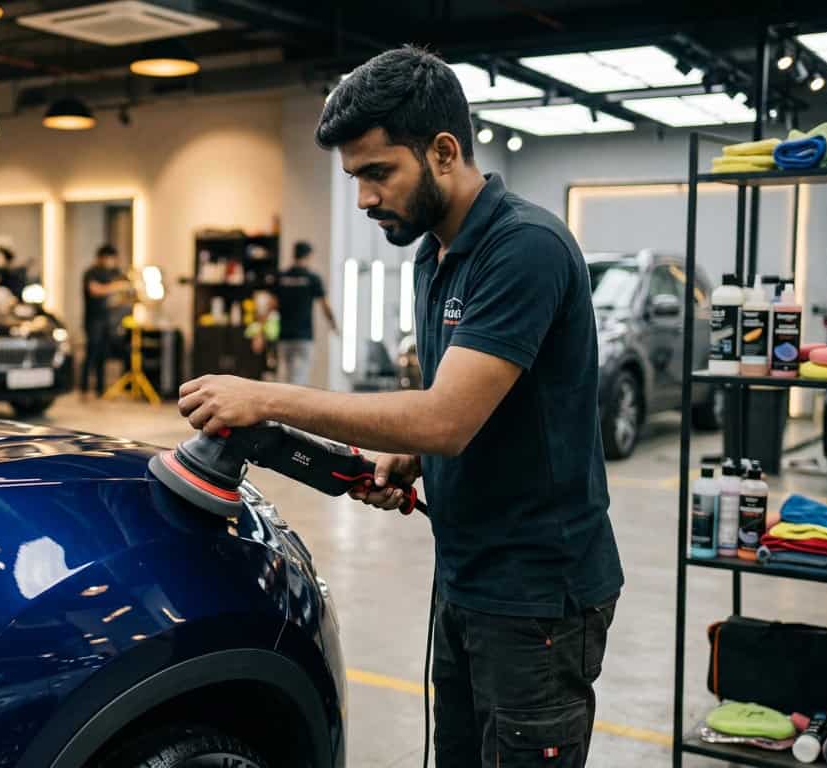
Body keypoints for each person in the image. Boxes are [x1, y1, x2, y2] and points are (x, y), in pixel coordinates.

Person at [174, 46, 622, 768]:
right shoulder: (435, 253)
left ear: (444, 152)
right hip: (467, 574)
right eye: (354, 178)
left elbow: (446, 418)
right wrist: (408, 455)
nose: (363, 198)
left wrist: (263, 397)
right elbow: (477, 404)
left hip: (539, 594)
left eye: (378, 173)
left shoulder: (525, 248)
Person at [274, 241, 338, 385]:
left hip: (284, 335)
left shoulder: (282, 277)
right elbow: (325, 306)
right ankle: (293, 406)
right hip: (304, 336)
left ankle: (285, 404)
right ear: (309, 256)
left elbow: (272, 305)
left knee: (286, 377)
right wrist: (333, 325)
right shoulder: (312, 278)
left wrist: (259, 330)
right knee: (299, 378)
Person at [80, 244, 131, 395]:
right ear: (102, 258)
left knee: (103, 353)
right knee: (92, 352)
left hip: (108, 319)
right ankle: (84, 387)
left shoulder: (114, 273)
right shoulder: (91, 273)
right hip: (93, 319)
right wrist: (117, 286)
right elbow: (95, 290)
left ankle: (100, 389)